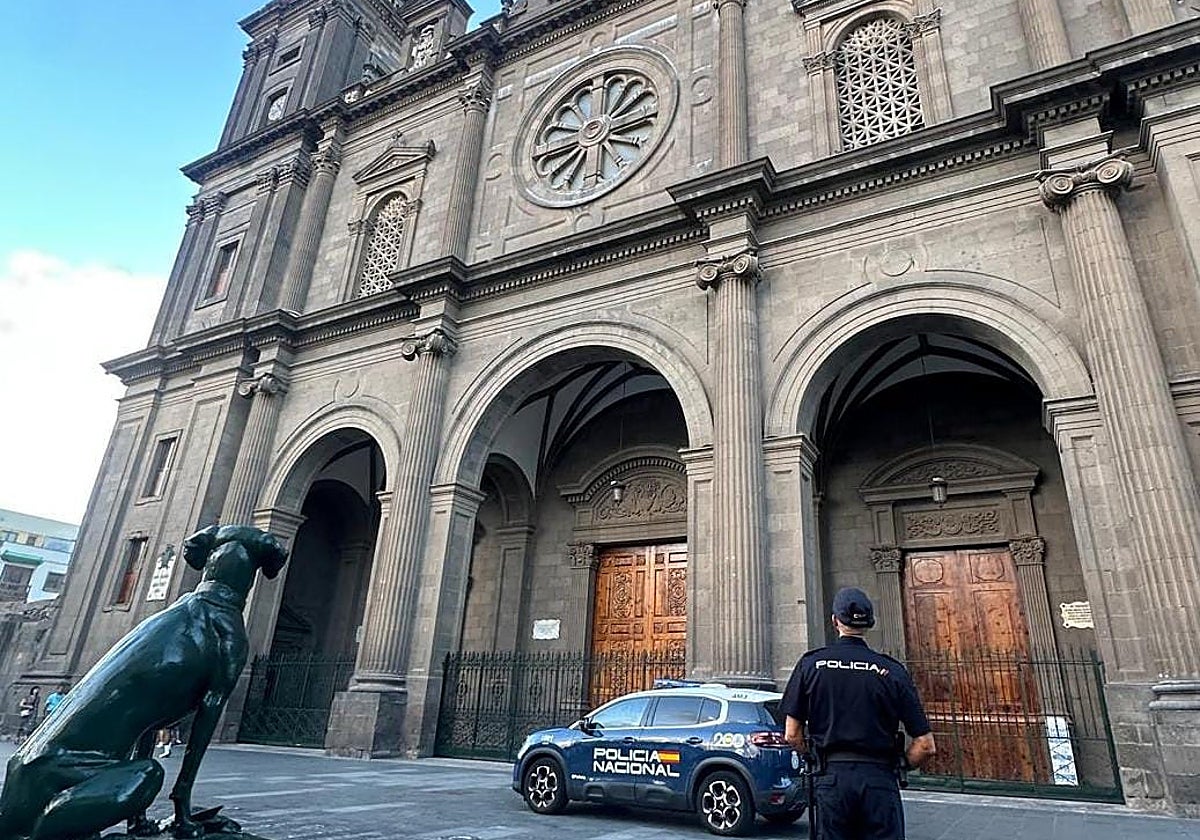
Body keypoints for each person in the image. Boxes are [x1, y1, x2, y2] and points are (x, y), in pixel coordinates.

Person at [781, 587, 937, 840]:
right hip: (880, 780)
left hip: (831, 779)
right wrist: (900, 765)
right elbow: (926, 745)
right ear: (869, 623)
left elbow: (791, 734)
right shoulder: (892, 670)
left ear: (834, 621)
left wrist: (815, 757)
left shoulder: (812, 664)